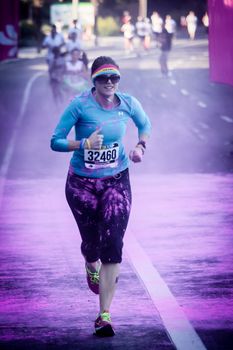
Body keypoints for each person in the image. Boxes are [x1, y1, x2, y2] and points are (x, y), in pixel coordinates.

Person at [50, 56, 151, 337]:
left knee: (114, 243)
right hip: (81, 185)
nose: (109, 83)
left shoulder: (129, 103)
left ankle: (104, 315)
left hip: (117, 182)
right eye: (103, 78)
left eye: (114, 78)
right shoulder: (79, 105)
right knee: (92, 243)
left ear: (119, 80)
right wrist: (83, 143)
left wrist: (140, 146)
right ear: (93, 81)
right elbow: (55, 141)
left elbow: (145, 125)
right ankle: (89, 261)